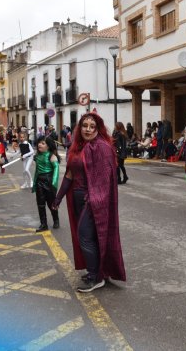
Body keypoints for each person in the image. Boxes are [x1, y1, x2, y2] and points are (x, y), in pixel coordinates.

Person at [52, 112, 126, 292]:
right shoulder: (76, 147)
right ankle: (98, 270)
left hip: (92, 200)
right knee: (89, 237)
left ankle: (96, 276)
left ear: (98, 128)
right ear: (80, 127)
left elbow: (105, 178)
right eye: (85, 125)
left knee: (84, 235)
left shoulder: (102, 147)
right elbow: (69, 174)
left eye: (92, 126)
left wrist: (94, 198)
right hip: (77, 197)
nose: (88, 129)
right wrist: (58, 197)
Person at [32, 137, 60, 231]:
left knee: (51, 204)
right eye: (39, 143)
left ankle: (56, 220)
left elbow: (56, 169)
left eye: (43, 143)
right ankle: (43, 224)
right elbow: (37, 170)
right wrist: (35, 184)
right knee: (40, 204)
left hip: (49, 181)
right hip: (39, 181)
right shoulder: (37, 156)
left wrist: (54, 184)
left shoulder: (51, 156)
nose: (40, 145)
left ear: (48, 146)